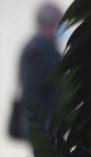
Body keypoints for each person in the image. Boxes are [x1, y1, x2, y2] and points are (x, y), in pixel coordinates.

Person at [13, 3, 64, 140]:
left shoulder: (47, 48)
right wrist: (44, 124)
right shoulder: (36, 51)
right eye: (59, 24)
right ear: (48, 24)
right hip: (42, 124)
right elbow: (31, 90)